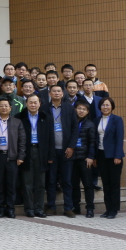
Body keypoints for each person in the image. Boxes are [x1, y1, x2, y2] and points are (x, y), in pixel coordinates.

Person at [16, 94, 55, 218]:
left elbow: (51, 137)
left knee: (40, 183)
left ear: (40, 104)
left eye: (35, 102)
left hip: (41, 152)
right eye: (30, 102)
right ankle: (29, 208)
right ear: (26, 103)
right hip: (26, 152)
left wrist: (50, 155)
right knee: (27, 182)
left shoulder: (46, 117)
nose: (33, 105)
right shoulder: (19, 117)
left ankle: (39, 208)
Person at [44, 85, 79, 218]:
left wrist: (71, 147)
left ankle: (68, 207)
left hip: (66, 151)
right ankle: (51, 207)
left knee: (67, 181)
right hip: (51, 151)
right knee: (51, 180)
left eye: (59, 91)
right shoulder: (44, 108)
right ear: (50, 93)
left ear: (63, 93)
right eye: (54, 91)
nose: (57, 93)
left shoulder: (69, 108)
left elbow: (75, 128)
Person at [0, 98, 26, 218]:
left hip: (12, 157)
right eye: (1, 106)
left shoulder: (17, 122)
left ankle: (10, 208)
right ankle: (1, 208)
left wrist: (21, 156)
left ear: (10, 108)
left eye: (6, 106)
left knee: (11, 184)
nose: (4, 108)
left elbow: (22, 141)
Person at [96, 97, 124, 219]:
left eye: (107, 105)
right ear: (100, 107)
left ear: (112, 106)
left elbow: (119, 139)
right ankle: (108, 209)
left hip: (113, 156)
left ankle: (114, 210)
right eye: (103, 105)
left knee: (114, 184)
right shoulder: (97, 120)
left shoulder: (117, 119)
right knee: (106, 184)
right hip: (101, 155)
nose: (105, 107)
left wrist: (118, 155)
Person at [71, 100, 97, 217]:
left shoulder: (90, 124)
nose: (81, 111)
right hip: (72, 158)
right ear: (75, 109)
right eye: (79, 108)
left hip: (85, 159)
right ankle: (76, 207)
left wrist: (90, 157)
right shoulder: (71, 122)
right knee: (74, 184)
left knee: (88, 185)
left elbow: (92, 142)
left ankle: (90, 208)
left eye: (84, 109)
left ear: (87, 112)